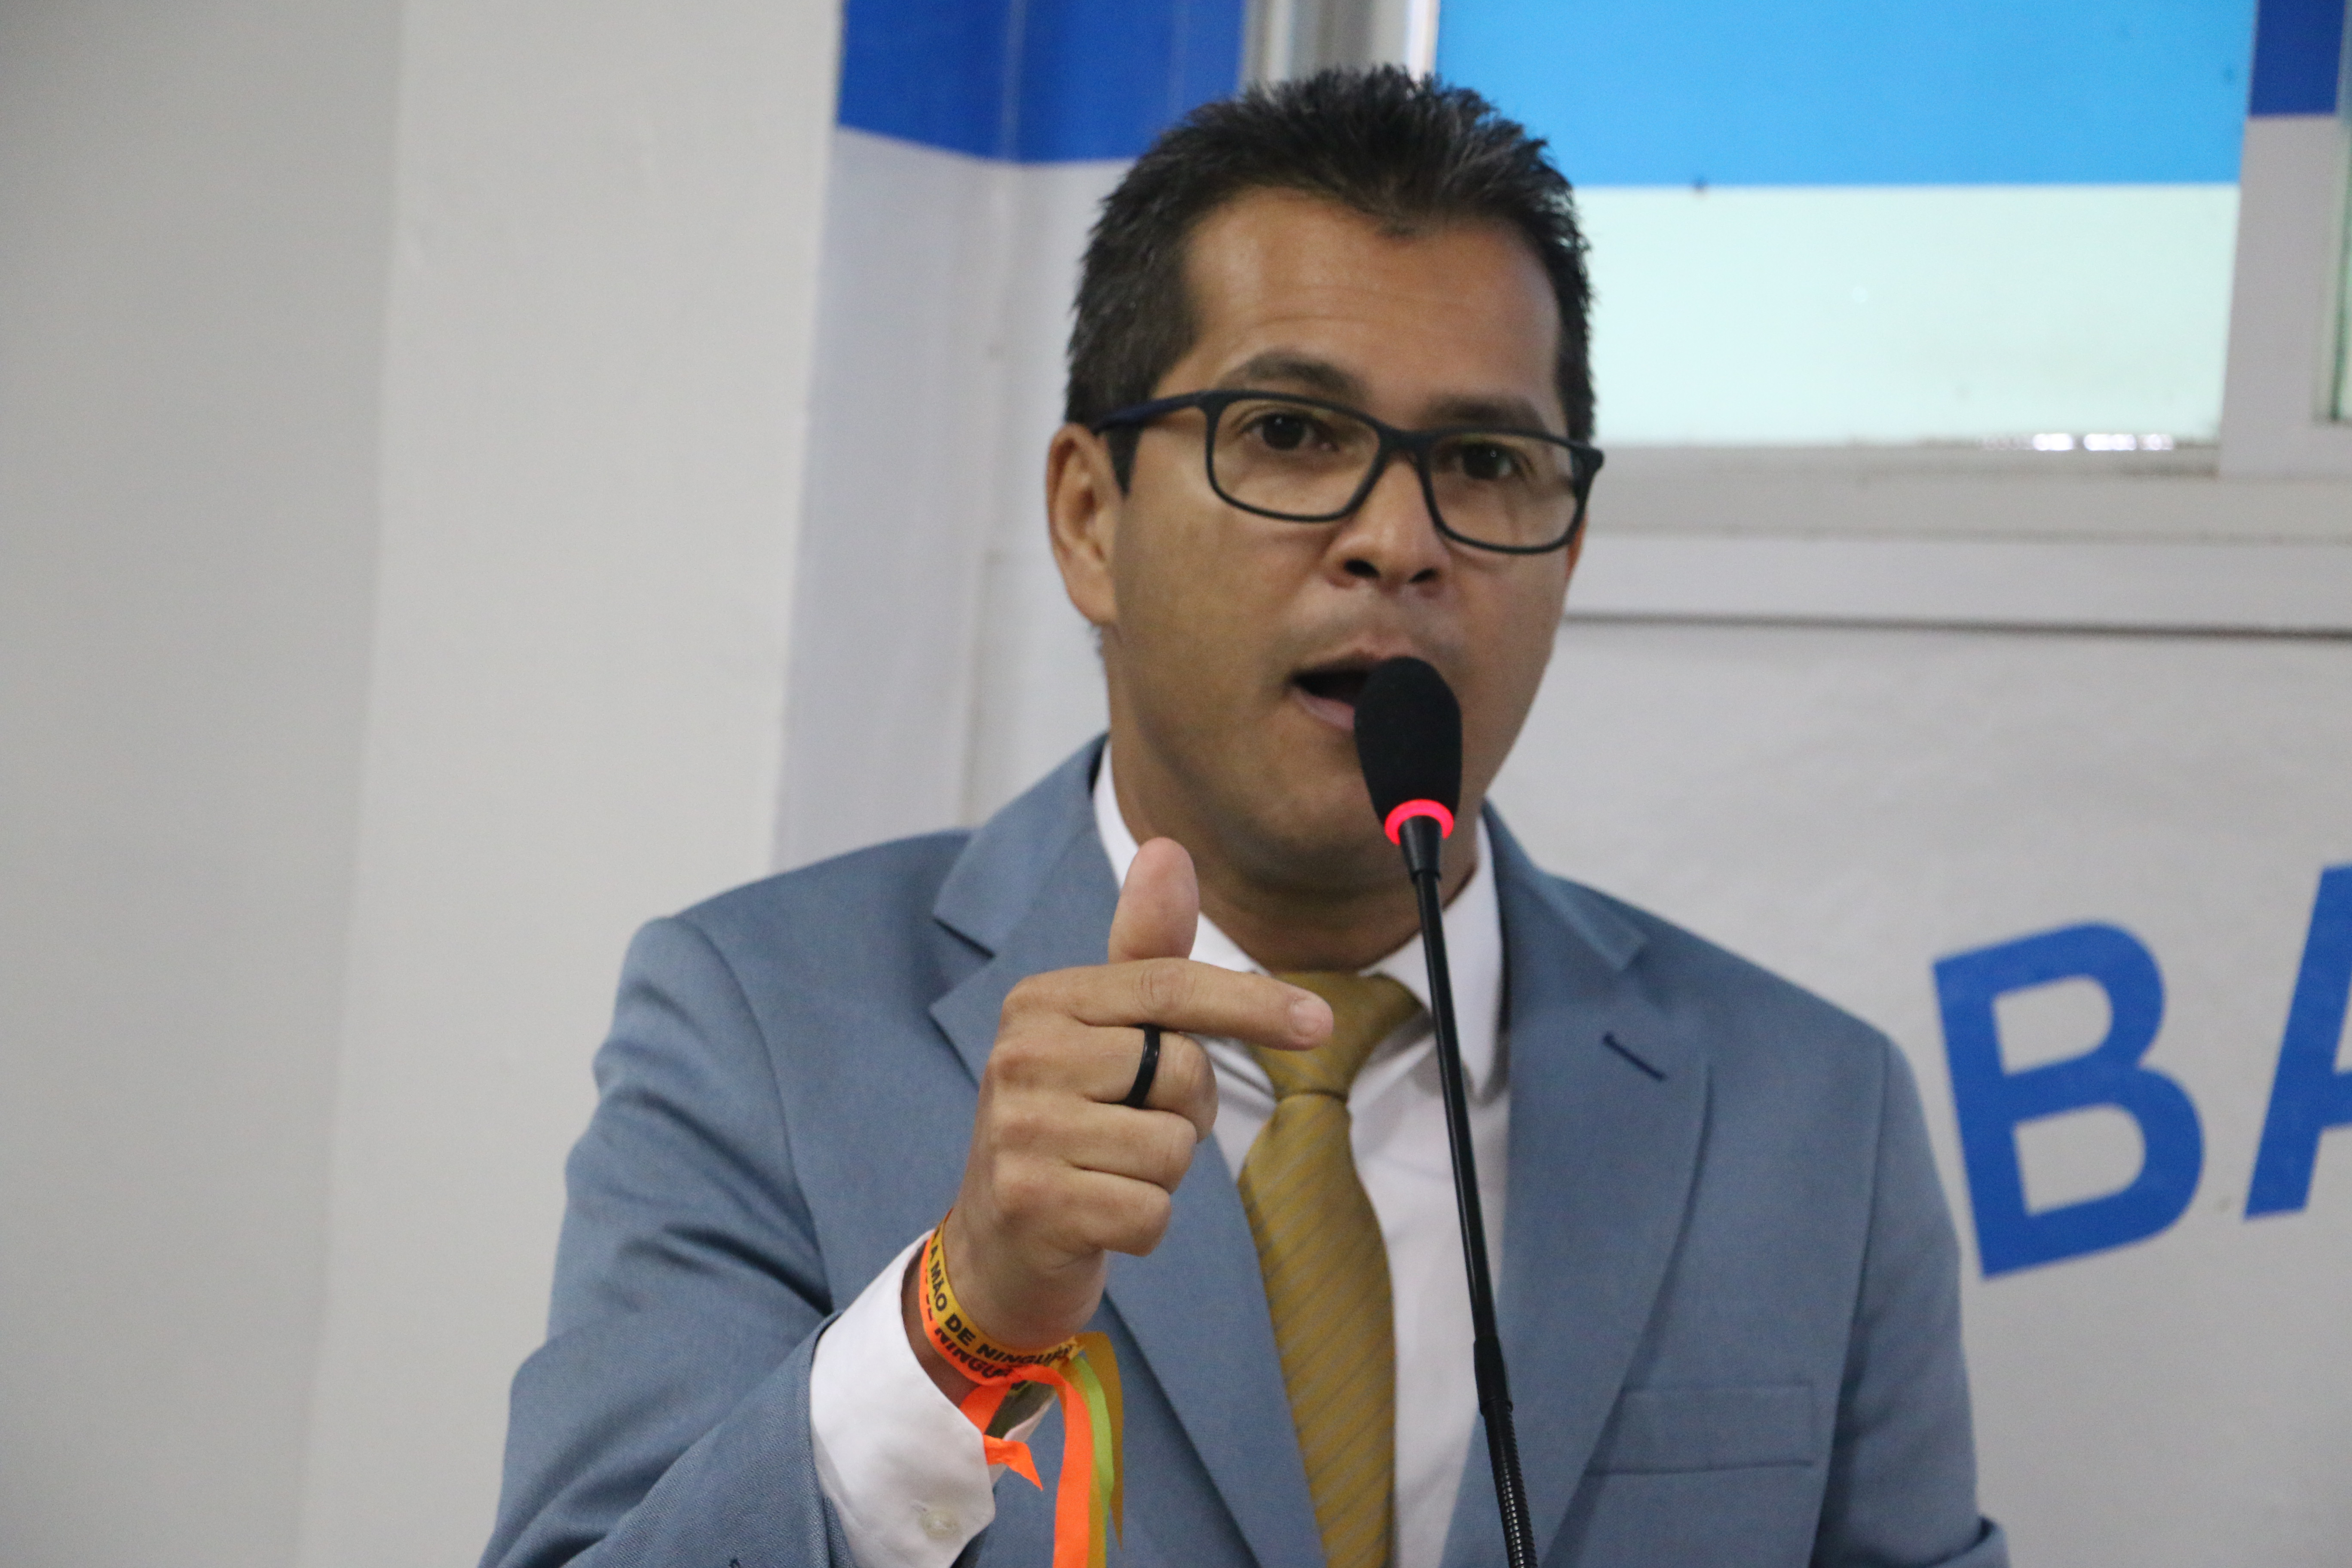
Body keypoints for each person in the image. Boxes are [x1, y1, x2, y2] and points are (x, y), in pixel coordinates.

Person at [481, 68, 2007, 1568]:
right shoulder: (762, 1028)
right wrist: (957, 1324)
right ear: (1091, 518)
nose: (1399, 541)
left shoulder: (1814, 1114)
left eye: (1487, 463)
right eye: (1288, 433)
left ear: (1570, 548)